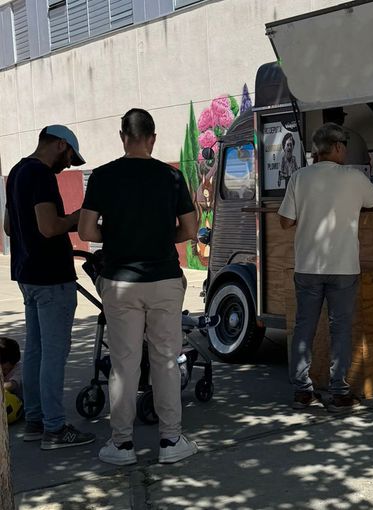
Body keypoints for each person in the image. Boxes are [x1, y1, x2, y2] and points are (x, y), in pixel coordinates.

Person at [78, 108, 199, 466]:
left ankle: (122, 445)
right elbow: (190, 230)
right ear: (153, 138)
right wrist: (163, 240)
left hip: (119, 282)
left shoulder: (102, 176)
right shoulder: (172, 177)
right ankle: (171, 440)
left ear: (122, 137)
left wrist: (115, 239)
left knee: (124, 364)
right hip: (163, 278)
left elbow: (86, 231)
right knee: (164, 360)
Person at [278, 123, 373, 412]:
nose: (346, 150)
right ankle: (339, 392)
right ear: (337, 147)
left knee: (304, 326)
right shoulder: (353, 177)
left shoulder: (299, 177)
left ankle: (303, 392)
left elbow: (285, 221)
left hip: (308, 266)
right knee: (340, 329)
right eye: (344, 146)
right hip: (343, 267)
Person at [4, 125, 96, 449]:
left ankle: (35, 421)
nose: (69, 164)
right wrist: (76, 217)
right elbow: (49, 227)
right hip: (51, 278)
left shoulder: (16, 172)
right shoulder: (42, 175)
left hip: (27, 275)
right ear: (59, 145)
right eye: (70, 156)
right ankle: (55, 429)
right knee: (54, 355)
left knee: (36, 351)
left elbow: (7, 227)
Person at [322, 107, 372, 176]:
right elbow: (368, 166)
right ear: (342, 119)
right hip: (357, 182)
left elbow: (316, 166)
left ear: (325, 118)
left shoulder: (322, 137)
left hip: (334, 182)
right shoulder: (357, 137)